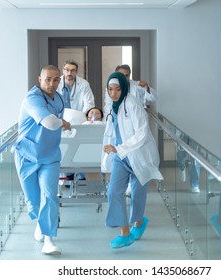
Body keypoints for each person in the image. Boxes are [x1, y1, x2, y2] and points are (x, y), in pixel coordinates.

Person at [12, 65, 71, 255]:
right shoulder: (32, 99)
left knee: (49, 196)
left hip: (50, 156)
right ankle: (41, 223)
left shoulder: (59, 98)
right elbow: (50, 122)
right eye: (48, 79)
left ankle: (49, 239)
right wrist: (62, 122)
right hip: (26, 155)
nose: (52, 84)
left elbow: (60, 118)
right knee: (34, 201)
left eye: (55, 80)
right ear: (39, 79)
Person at [102, 72, 163, 249]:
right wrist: (111, 148)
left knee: (137, 193)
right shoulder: (113, 105)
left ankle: (138, 222)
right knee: (114, 191)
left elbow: (142, 133)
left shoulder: (132, 103)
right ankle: (124, 233)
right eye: (110, 90)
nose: (113, 93)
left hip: (139, 155)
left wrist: (119, 148)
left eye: (117, 89)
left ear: (124, 88)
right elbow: (111, 130)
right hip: (121, 157)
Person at [57, 60, 95, 180]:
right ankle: (68, 175)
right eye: (67, 70)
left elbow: (89, 103)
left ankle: (80, 176)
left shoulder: (84, 84)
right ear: (63, 70)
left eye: (72, 70)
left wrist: (79, 117)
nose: (70, 73)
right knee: (64, 149)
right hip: (61, 123)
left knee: (79, 150)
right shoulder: (57, 83)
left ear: (76, 72)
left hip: (79, 122)